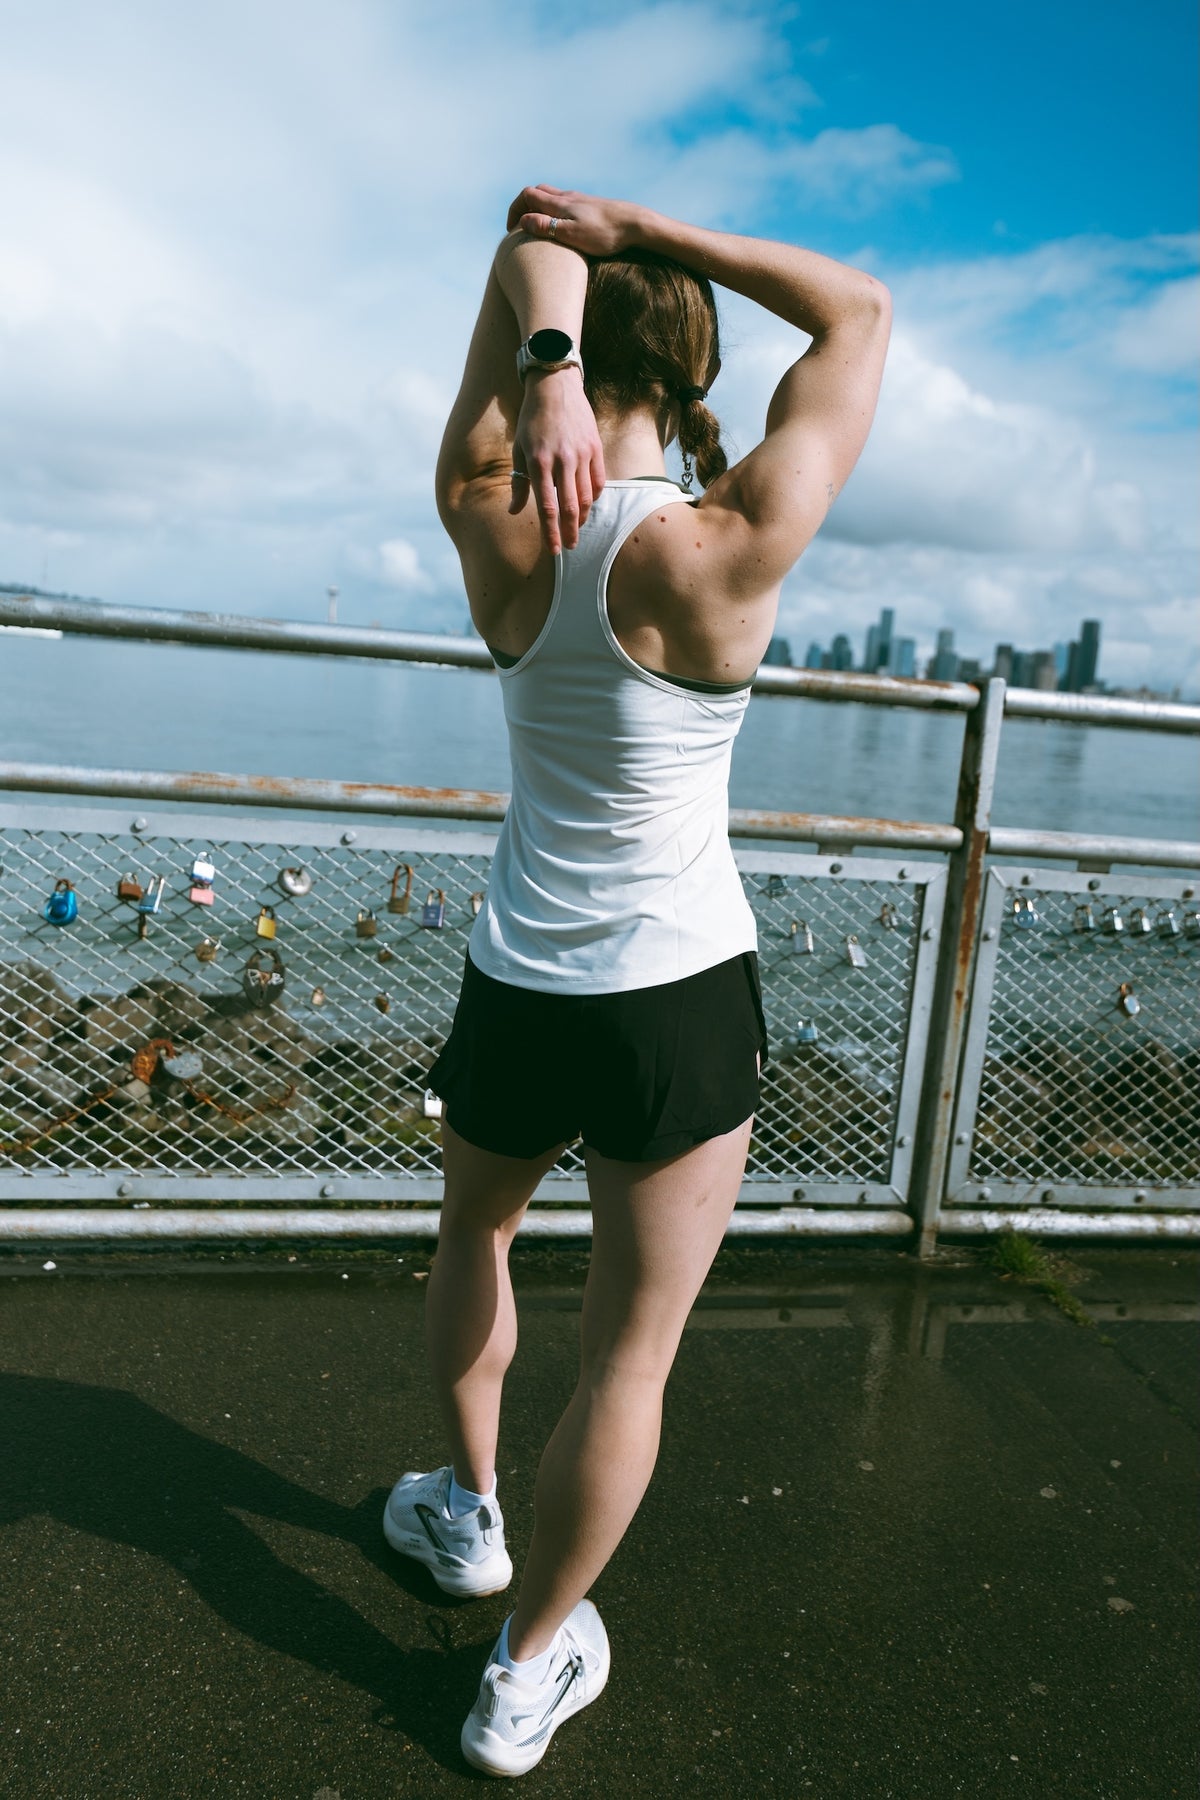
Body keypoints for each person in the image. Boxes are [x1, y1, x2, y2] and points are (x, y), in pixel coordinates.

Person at [382, 183, 891, 1778]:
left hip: (518, 979)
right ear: (696, 367)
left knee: (476, 1234)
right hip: (677, 997)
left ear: (566, 349)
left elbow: (519, 247)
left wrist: (543, 359)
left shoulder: (492, 511)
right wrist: (657, 228)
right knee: (628, 1354)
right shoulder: (729, 542)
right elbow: (859, 311)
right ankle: (525, 1666)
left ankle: (468, 1518)